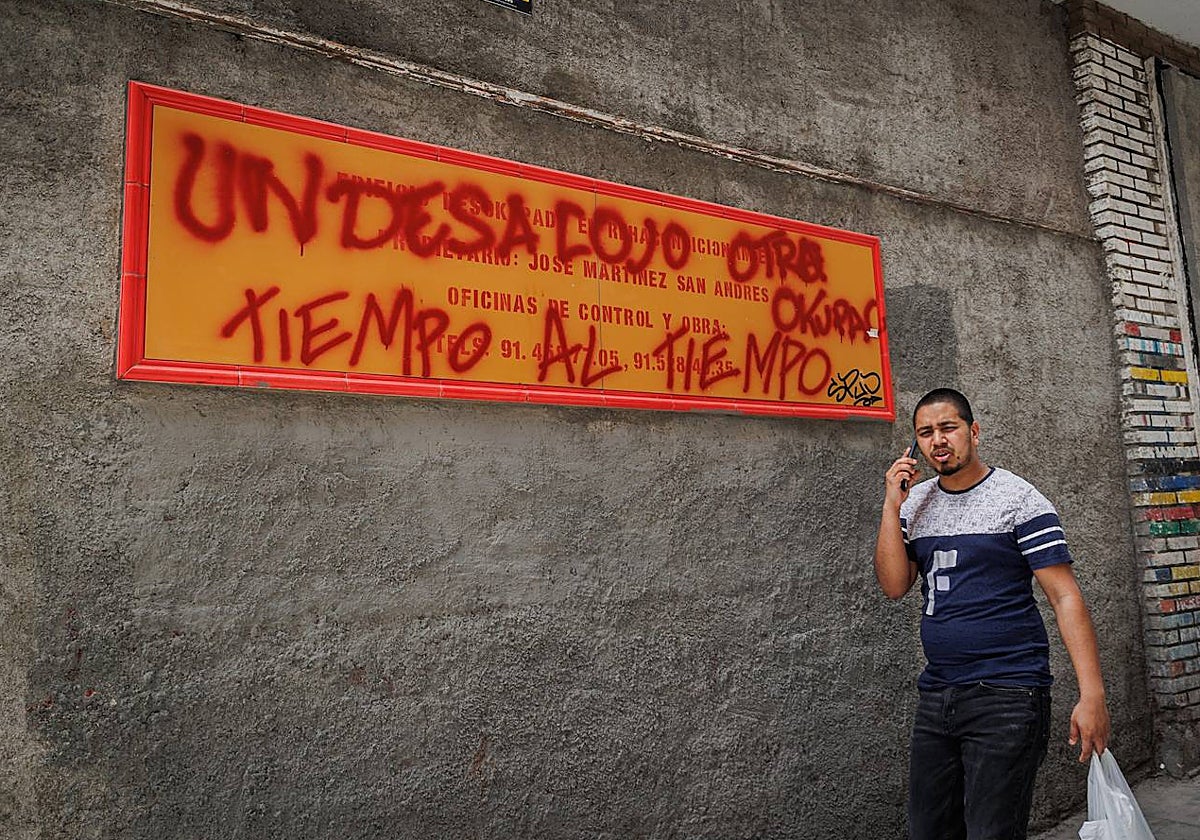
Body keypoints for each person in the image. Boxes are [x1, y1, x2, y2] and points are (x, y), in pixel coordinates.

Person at [874, 388, 1110, 840]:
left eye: (948, 428)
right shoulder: (915, 503)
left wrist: (1092, 694)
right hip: (938, 694)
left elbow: (1065, 597)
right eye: (926, 432)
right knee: (928, 830)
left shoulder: (1018, 499)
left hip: (1008, 693)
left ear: (974, 432)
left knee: (991, 832)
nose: (938, 440)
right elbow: (894, 585)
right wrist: (891, 506)